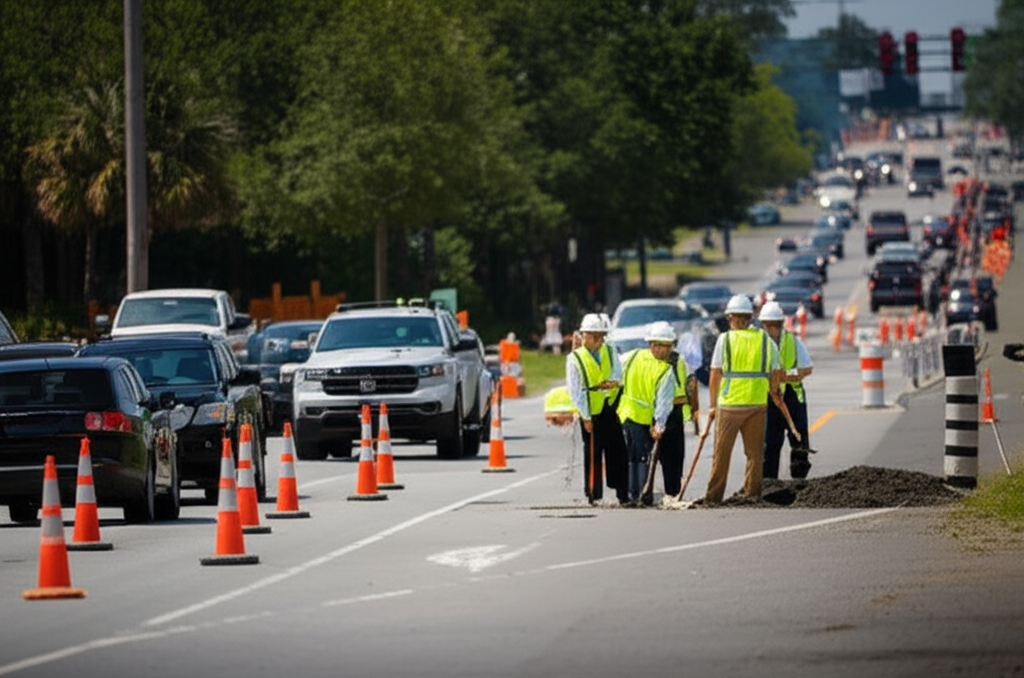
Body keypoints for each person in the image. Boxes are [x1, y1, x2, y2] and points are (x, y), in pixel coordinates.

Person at [702, 294, 783, 504]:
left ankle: (713, 498)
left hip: (729, 406)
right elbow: (776, 373)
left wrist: (712, 406)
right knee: (755, 455)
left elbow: (715, 374)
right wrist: (773, 391)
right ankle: (752, 495)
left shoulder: (725, 340)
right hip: (757, 404)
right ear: (750, 317)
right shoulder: (766, 341)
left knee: (721, 455)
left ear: (731, 318)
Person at [566, 313, 628, 504]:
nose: (598, 341)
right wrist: (585, 416)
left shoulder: (609, 350)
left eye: (601, 336)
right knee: (593, 451)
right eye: (594, 336)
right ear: (584, 336)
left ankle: (622, 491)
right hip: (591, 409)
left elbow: (617, 372)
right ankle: (593, 492)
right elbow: (575, 389)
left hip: (610, 406)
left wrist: (612, 382)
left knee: (617, 449)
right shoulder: (575, 358)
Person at [617, 321, 677, 506]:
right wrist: (659, 426)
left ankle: (625, 494)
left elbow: (615, 368)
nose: (664, 351)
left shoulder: (633, 356)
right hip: (642, 419)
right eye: (663, 346)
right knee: (642, 457)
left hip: (624, 414)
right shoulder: (665, 370)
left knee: (627, 455)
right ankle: (639, 493)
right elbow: (663, 403)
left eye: (666, 346)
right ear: (653, 345)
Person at [757, 301, 814, 479]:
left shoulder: (792, 341)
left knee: (799, 441)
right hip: (768, 398)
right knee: (770, 444)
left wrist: (785, 375)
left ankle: (799, 481)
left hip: (792, 398)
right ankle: (769, 483)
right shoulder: (758, 345)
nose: (770, 329)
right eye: (767, 324)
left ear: (781, 324)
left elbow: (806, 369)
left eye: (774, 325)